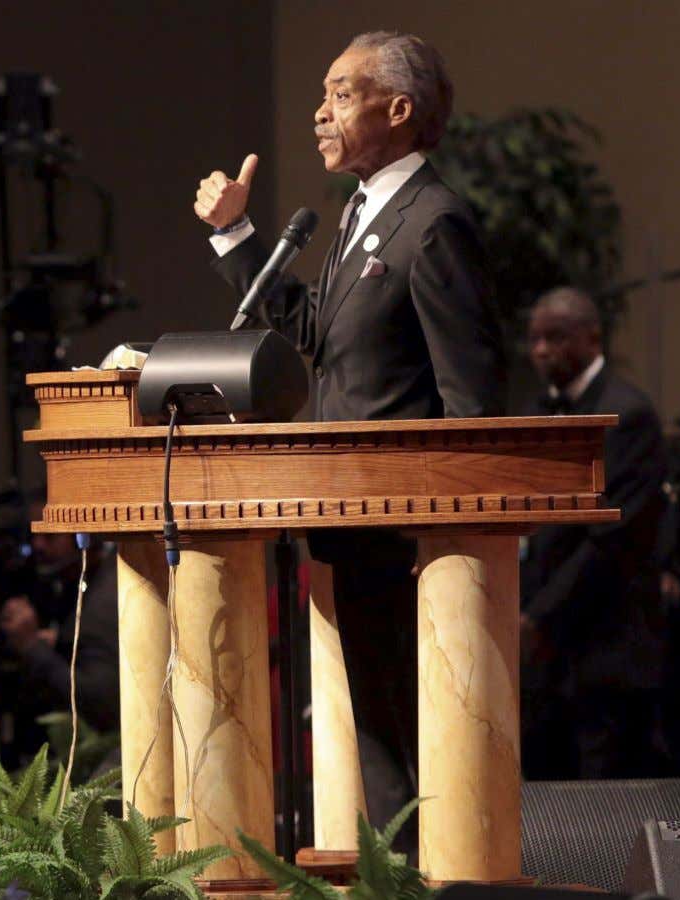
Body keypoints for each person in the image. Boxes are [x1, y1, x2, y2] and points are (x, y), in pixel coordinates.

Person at [193, 31, 504, 832]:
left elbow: (472, 401)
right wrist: (237, 235)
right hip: (351, 527)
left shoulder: (432, 222)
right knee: (379, 740)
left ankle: (438, 882)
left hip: (406, 542)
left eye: (340, 93)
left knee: (414, 737)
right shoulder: (366, 212)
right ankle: (396, 879)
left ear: (398, 109)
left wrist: (451, 537)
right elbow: (314, 333)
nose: (319, 112)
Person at [519, 287, 668, 778]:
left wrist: (538, 617)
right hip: (550, 661)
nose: (541, 350)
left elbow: (611, 540)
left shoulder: (630, 414)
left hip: (606, 649)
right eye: (535, 338)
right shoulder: (540, 411)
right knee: (545, 805)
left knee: (603, 815)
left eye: (555, 337)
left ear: (592, 337)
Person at [0, 505, 119, 758]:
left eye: (50, 536)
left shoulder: (103, 602)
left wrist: (32, 647)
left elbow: (101, 702)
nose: (38, 546)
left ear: (83, 536)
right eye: (34, 535)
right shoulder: (69, 581)